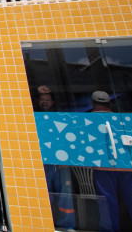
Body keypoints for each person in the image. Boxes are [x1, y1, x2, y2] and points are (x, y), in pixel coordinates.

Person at [90, 90, 132, 232]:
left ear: (92, 103)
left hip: (103, 167)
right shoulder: (122, 119)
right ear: (110, 103)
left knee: (108, 204)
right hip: (127, 166)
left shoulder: (88, 120)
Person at [35, 85, 76, 231]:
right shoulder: (34, 117)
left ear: (53, 102)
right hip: (43, 162)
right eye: (42, 99)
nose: (44, 102)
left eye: (47, 99)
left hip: (61, 162)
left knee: (65, 192)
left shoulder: (60, 117)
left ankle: (67, 224)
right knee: (44, 192)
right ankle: (46, 221)